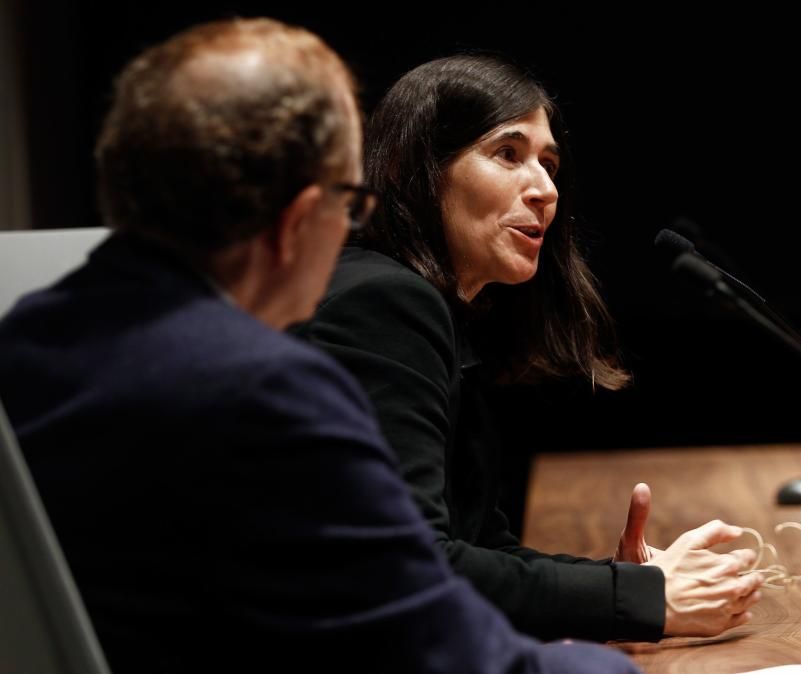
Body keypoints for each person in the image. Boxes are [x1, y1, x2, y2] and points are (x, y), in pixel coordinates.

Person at [0, 20, 642, 673]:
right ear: (300, 219)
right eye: (349, 202)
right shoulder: (267, 388)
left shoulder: (26, 337)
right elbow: (444, 648)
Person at [297, 54, 764, 643]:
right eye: (508, 154)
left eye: (550, 164)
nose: (545, 189)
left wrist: (623, 581)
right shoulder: (386, 306)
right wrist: (636, 598)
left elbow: (477, 550)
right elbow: (411, 567)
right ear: (419, 168)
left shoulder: (433, 310)